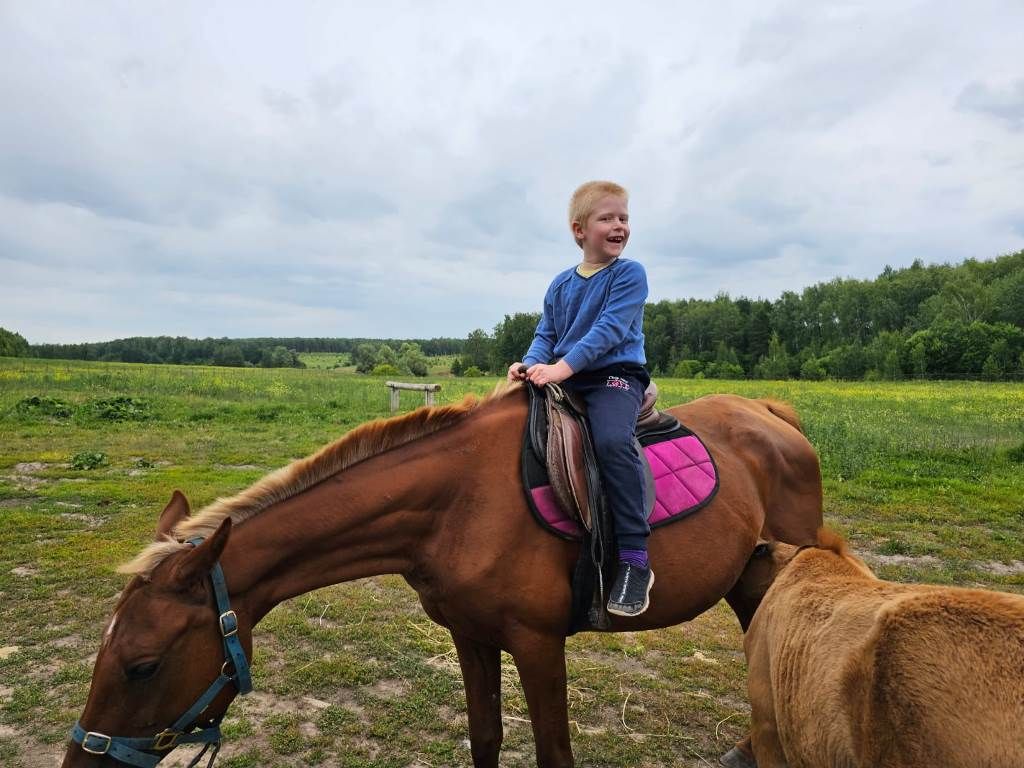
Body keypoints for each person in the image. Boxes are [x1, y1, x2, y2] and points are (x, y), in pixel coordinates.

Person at [507, 180, 653, 617]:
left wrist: (560, 368)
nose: (619, 226)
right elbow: (546, 335)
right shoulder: (560, 284)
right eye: (607, 218)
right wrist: (529, 364)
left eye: (623, 218)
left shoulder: (629, 274)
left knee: (610, 441)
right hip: (565, 375)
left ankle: (634, 557)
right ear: (579, 230)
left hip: (614, 376)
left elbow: (608, 330)